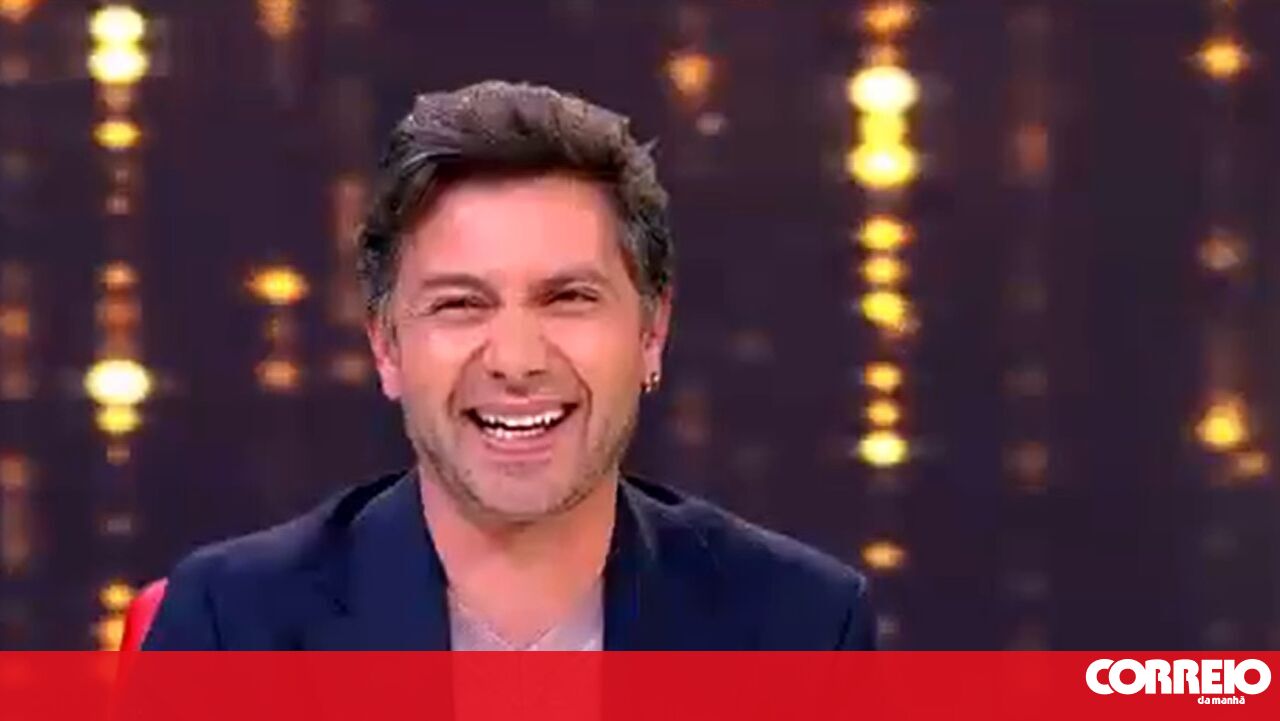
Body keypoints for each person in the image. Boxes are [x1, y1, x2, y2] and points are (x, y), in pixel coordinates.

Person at [143, 81, 875, 650]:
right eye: (461, 304)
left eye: (569, 298)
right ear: (386, 347)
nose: (517, 361)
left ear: (652, 332)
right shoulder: (233, 625)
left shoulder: (802, 627)